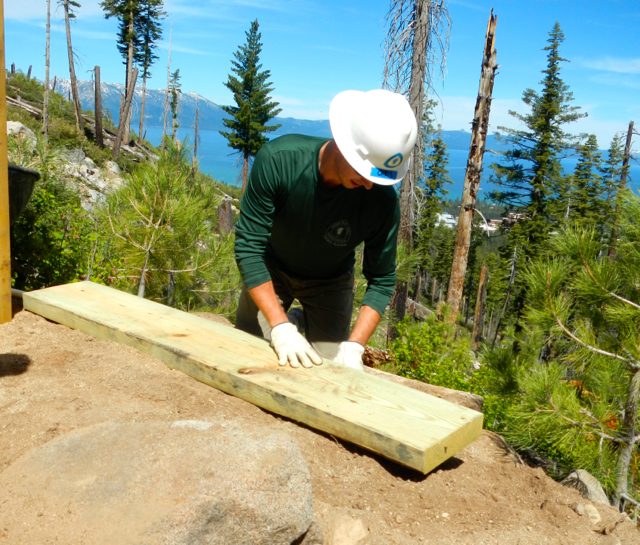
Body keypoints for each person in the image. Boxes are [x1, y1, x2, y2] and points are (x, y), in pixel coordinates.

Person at [234, 89, 418, 370]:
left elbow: (381, 280)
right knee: (247, 346)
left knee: (331, 365)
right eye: (362, 172)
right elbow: (248, 248)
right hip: (271, 270)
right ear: (342, 144)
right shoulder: (280, 161)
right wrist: (280, 328)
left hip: (331, 282)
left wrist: (355, 346)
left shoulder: (380, 200)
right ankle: (291, 321)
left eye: (376, 177)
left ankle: (300, 320)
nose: (369, 185)